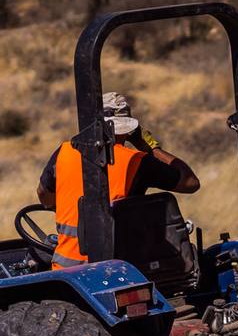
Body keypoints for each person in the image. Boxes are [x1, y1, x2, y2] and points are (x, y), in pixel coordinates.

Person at [38, 91, 200, 269]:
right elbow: (190, 182)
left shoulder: (65, 151)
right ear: (128, 130)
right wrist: (150, 147)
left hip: (67, 270)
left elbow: (43, 193)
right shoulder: (137, 161)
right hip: (120, 268)